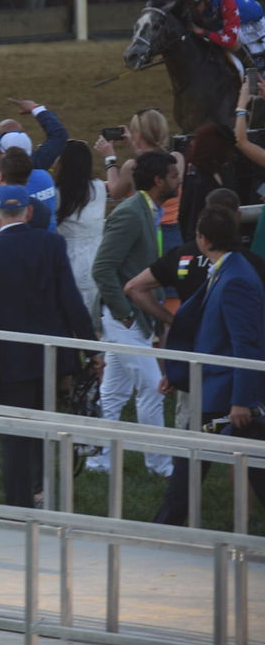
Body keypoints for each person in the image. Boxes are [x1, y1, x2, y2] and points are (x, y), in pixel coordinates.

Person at [0, 186, 97, 508]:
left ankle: (20, 507)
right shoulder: (51, 244)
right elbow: (71, 301)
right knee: (42, 432)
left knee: (15, 438)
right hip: (48, 360)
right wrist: (92, 350)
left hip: (6, 363)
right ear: (29, 213)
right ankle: (41, 493)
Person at [153, 206, 265, 524]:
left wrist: (241, 399)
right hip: (221, 390)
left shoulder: (235, 279)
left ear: (202, 239)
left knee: (189, 467)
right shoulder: (233, 270)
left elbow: (247, 344)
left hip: (225, 394)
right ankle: (166, 528)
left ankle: (164, 531)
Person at [88, 152, 180, 478]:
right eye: (173, 175)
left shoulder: (147, 210)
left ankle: (99, 461)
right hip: (124, 318)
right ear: (158, 181)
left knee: (112, 394)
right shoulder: (130, 214)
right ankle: (160, 466)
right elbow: (102, 268)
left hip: (132, 318)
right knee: (154, 387)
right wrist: (125, 314)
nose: (178, 179)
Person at [53, 139, 109, 329]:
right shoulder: (99, 188)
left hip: (68, 259)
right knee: (92, 323)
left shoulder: (57, 194)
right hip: (97, 258)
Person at [178, 0, 265, 70]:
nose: (191, 7)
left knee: (227, 37)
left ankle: (253, 65)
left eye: (195, 2)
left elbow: (230, 40)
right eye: (187, 2)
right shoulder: (207, 0)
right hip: (234, 21)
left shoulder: (226, 1)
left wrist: (202, 32)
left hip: (253, 25)